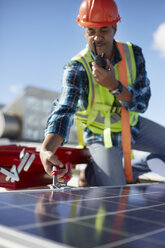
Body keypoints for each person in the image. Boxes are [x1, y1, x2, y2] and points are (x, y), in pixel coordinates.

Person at [40, 0, 165, 186]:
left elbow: (142, 103)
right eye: (91, 31)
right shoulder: (76, 67)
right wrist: (46, 149)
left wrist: (114, 86)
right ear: (84, 31)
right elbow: (64, 108)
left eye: (103, 30)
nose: (97, 38)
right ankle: (92, 173)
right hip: (100, 134)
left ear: (114, 28)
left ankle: (140, 165)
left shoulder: (134, 54)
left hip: (132, 125)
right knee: (116, 191)